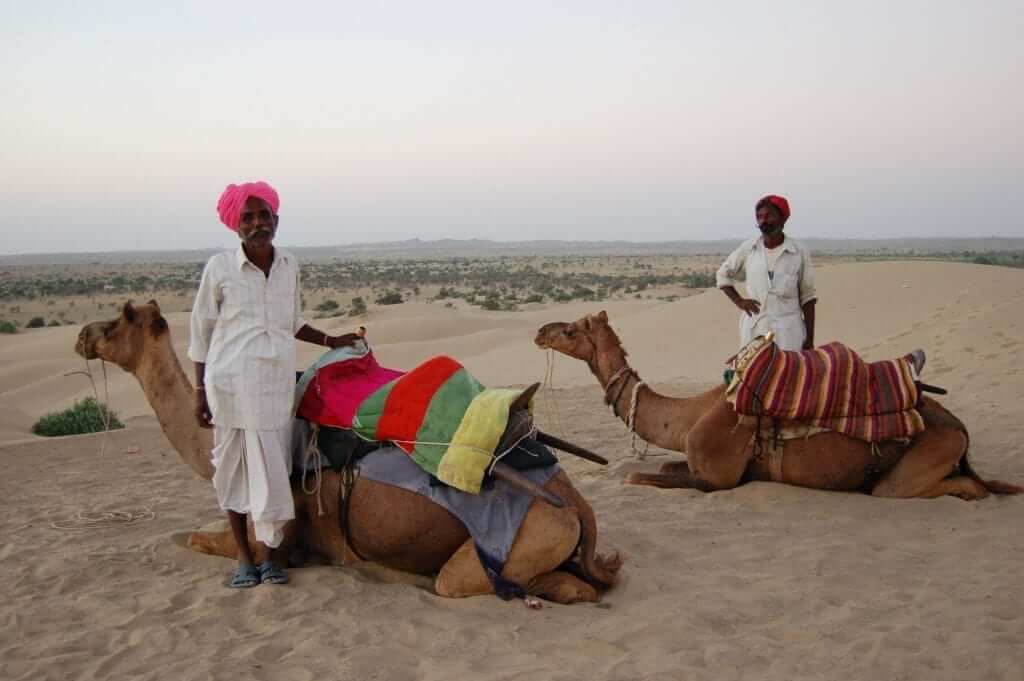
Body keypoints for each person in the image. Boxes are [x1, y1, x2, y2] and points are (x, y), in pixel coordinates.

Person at [188, 181, 360, 588]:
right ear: (236, 225)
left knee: (275, 470)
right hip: (229, 385)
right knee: (234, 471)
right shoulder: (220, 268)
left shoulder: (289, 266)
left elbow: (292, 321)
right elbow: (201, 331)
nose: (257, 223)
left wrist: (332, 341)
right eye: (248, 217)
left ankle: (270, 558)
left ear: (276, 220)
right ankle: (244, 558)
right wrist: (199, 391)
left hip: (274, 388)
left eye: (264, 215)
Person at [716, 194, 817, 352]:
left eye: (769, 215)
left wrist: (810, 340)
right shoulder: (749, 248)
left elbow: (808, 298)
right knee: (751, 374)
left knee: (787, 376)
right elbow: (722, 275)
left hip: (789, 333)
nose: (763, 221)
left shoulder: (798, 252)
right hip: (755, 331)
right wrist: (739, 301)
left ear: (782, 219)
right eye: (759, 217)